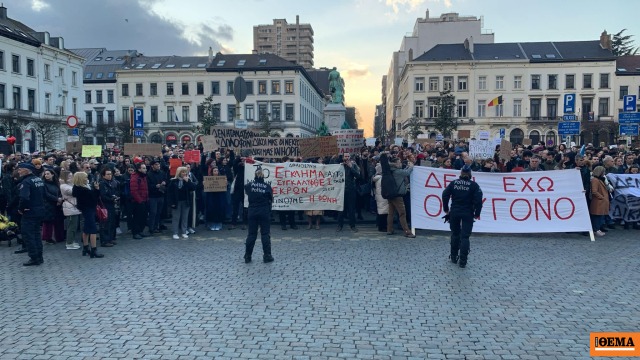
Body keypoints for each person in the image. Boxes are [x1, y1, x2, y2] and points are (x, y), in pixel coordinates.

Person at [442, 165, 483, 268]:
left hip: (455, 211)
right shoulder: (474, 185)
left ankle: (454, 256)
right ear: (470, 174)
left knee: (455, 234)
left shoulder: (454, 183)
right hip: (468, 212)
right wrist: (477, 213)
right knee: (465, 236)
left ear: (461, 173)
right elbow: (478, 201)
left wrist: (446, 208)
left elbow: (444, 194)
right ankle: (463, 261)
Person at [16, 163, 46, 266]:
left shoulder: (26, 182)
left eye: (20, 170)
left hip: (29, 212)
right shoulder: (38, 179)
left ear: (26, 170)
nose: (18, 172)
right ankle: (39, 256)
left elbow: (24, 197)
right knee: (37, 234)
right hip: (40, 210)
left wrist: (21, 209)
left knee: (29, 235)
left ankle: (34, 257)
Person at [243, 168, 274, 263]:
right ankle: (267, 255)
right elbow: (271, 199)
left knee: (251, 234)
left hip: (252, 211)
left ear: (254, 176)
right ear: (263, 176)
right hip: (264, 211)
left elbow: (246, 191)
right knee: (265, 234)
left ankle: (248, 255)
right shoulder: (267, 186)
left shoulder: (249, 186)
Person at [72, 172, 104, 258]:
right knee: (93, 230)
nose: (87, 179)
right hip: (89, 209)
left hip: (85, 209)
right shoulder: (84, 189)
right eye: (85, 177)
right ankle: (94, 249)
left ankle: (85, 247)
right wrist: (97, 189)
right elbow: (94, 199)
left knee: (86, 229)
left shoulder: (77, 188)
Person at [386, 156, 416, 238]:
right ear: (395, 164)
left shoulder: (390, 170)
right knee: (402, 213)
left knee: (391, 213)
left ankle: (389, 229)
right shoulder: (397, 171)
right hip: (398, 195)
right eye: (399, 162)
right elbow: (407, 172)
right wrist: (411, 167)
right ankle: (407, 231)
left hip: (390, 194)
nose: (400, 164)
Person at [167, 166, 196, 239]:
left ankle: (184, 231)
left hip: (185, 201)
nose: (184, 173)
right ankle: (175, 233)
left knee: (185, 217)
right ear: (179, 173)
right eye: (183, 172)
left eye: (185, 172)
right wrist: (171, 203)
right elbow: (170, 193)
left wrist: (188, 181)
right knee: (176, 217)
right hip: (176, 202)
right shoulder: (173, 181)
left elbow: (193, 188)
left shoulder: (187, 180)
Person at [336, 153, 360, 232]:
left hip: (351, 190)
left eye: (348, 156)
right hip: (341, 190)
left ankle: (352, 225)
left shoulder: (354, 165)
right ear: (343, 157)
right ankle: (340, 225)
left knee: (351, 209)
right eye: (345, 156)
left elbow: (358, 176)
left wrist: (351, 167)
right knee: (341, 209)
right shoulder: (340, 165)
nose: (346, 158)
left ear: (350, 157)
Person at [41, 168, 64, 244]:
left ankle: (60, 237)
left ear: (52, 174)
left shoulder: (56, 183)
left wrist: (60, 199)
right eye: (45, 174)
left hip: (57, 204)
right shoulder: (43, 183)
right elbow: (46, 194)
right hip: (48, 204)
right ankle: (48, 237)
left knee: (58, 221)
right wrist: (56, 199)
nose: (46, 175)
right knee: (48, 222)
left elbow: (60, 191)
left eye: (48, 174)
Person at [60, 171, 82, 250]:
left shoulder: (70, 185)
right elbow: (74, 192)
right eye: (69, 176)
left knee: (74, 226)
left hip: (74, 207)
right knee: (71, 226)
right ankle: (69, 243)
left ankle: (71, 241)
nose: (70, 178)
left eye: (71, 176)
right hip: (70, 207)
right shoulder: (64, 186)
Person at [98, 167, 119, 247]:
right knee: (105, 224)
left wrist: (115, 197)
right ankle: (105, 240)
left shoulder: (111, 182)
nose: (110, 176)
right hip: (105, 206)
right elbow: (103, 196)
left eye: (110, 174)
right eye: (108, 174)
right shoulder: (102, 183)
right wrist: (111, 199)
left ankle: (110, 238)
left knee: (111, 223)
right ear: (103, 175)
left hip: (111, 205)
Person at [130, 162, 149, 239]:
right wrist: (140, 200)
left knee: (143, 217)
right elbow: (134, 191)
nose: (145, 170)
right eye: (143, 168)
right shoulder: (135, 177)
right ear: (139, 169)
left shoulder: (143, 177)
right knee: (137, 217)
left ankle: (140, 231)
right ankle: (136, 232)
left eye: (145, 168)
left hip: (144, 200)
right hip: (137, 201)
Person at [589, 166, 609, 237]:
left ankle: (597, 229)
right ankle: (596, 229)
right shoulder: (595, 180)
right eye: (603, 171)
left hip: (600, 201)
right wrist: (602, 197)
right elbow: (594, 191)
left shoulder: (599, 179)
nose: (604, 173)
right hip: (598, 201)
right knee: (597, 217)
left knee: (599, 216)